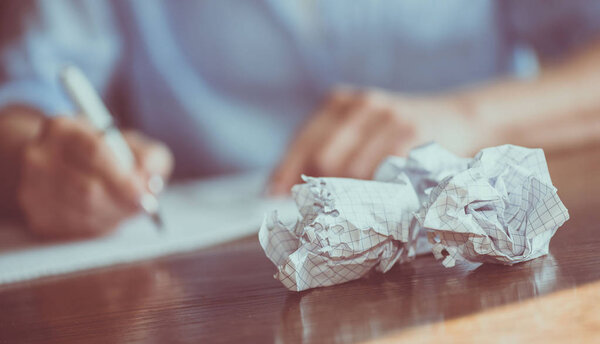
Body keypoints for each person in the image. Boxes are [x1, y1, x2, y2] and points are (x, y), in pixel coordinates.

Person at [1, 0, 600, 239]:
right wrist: (39, 161)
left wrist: (473, 115)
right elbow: (25, 91)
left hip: (484, 259)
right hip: (231, 289)